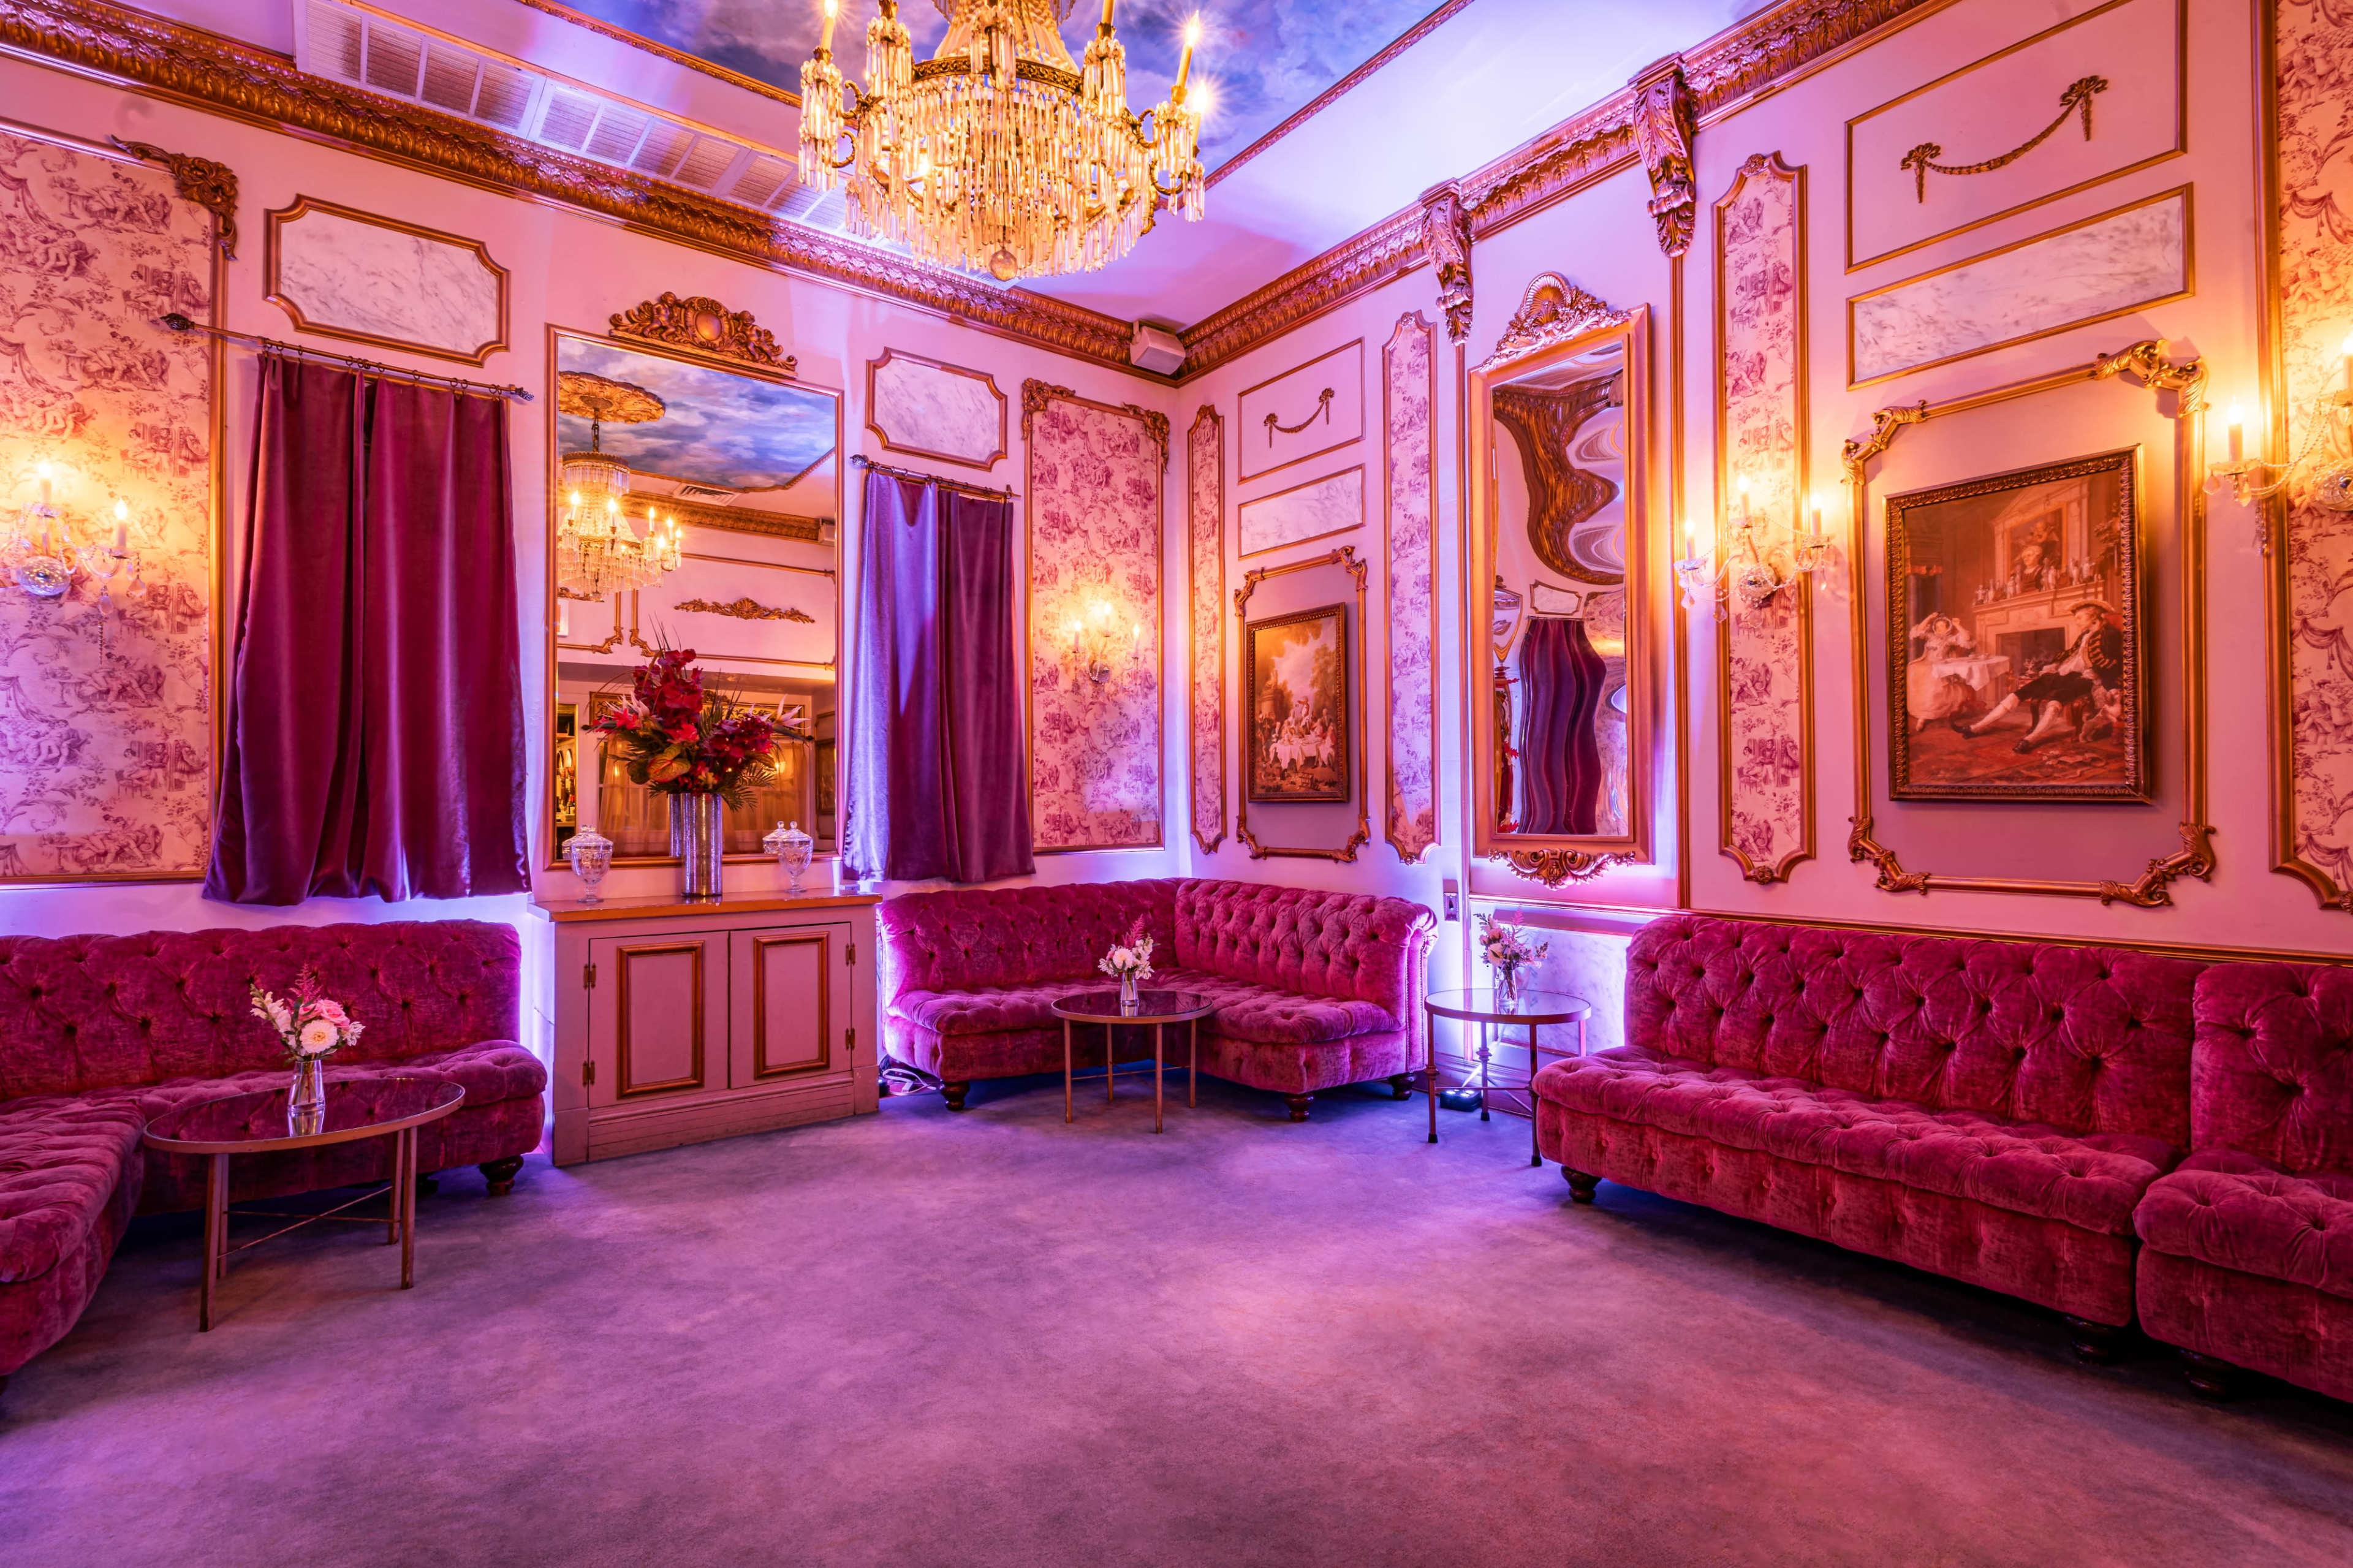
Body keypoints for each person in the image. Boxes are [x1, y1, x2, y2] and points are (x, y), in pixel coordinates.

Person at [1952, 602, 2123, 754]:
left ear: (2093, 619)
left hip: (2086, 679)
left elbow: (2114, 664)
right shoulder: (2084, 636)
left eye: (2079, 618)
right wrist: (2055, 665)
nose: (2076, 621)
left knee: (2055, 701)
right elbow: (2070, 654)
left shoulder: (2109, 634)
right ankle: (1976, 728)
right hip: (2066, 673)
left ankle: (2031, 740)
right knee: (2024, 691)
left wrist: (2096, 672)